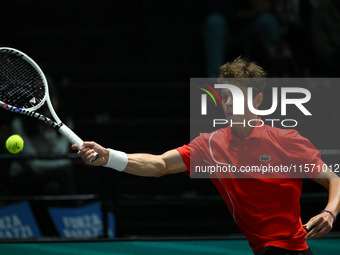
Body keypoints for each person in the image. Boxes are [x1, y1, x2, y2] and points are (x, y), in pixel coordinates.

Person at [73, 57, 340, 255]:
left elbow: (333, 179)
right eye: (225, 97)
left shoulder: (286, 140)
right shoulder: (211, 145)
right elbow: (160, 165)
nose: (229, 104)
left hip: (289, 250)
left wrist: (329, 212)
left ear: (258, 101)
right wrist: (108, 157)